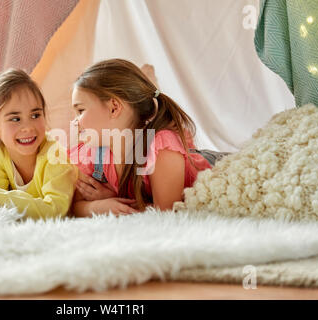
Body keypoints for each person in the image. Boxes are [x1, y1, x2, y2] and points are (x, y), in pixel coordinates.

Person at [69, 59, 212, 217]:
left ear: (114, 108)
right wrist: (98, 207)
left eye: (80, 110)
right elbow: (73, 206)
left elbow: (166, 213)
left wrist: (114, 199)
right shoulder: (94, 152)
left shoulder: (161, 147)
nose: (74, 121)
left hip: (210, 167)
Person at [0, 68, 78, 220]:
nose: (28, 127)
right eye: (16, 119)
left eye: (35, 115)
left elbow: (55, 211)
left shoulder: (56, 155)